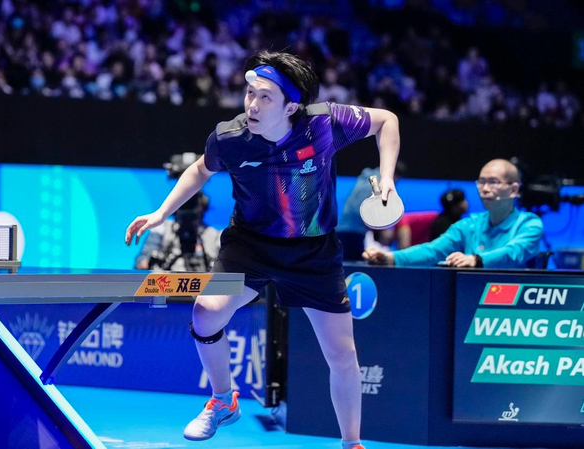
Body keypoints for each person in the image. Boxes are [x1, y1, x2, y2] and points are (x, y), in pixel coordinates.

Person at [125, 50, 400, 449]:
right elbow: (200, 169)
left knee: (342, 354)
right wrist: (161, 212)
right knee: (206, 313)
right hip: (250, 244)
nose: (252, 104)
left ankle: (351, 444)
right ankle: (223, 401)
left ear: (291, 106)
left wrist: (387, 178)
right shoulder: (230, 138)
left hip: (313, 251)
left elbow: (387, 121)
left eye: (265, 97)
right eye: (250, 93)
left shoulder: (324, 124)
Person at [363, 159, 542, 268]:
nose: (485, 189)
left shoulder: (529, 224)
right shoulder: (469, 225)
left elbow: (513, 252)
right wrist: (391, 258)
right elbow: (433, 250)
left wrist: (476, 260)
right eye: (481, 182)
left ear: (513, 189)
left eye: (493, 182)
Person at [134, 191, 221, 272]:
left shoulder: (214, 235)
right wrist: (147, 262)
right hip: (166, 282)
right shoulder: (161, 230)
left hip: (205, 282)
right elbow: (142, 260)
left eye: (191, 205)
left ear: (202, 207)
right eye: (183, 204)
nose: (187, 211)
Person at [337, 161, 405, 260]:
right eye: (396, 180)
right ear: (394, 174)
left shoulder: (367, 177)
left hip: (341, 230)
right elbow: (372, 209)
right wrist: (381, 231)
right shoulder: (376, 182)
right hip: (353, 234)